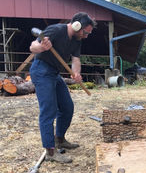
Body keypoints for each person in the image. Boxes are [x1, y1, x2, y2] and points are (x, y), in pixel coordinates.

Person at [29, 12, 96, 163]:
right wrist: (42, 47)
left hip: (54, 73)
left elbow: (76, 59)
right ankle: (50, 152)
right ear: (76, 25)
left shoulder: (77, 40)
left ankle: (60, 139)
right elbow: (32, 47)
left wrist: (76, 73)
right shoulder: (56, 30)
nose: (86, 36)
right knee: (49, 111)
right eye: (86, 32)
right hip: (41, 70)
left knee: (67, 107)